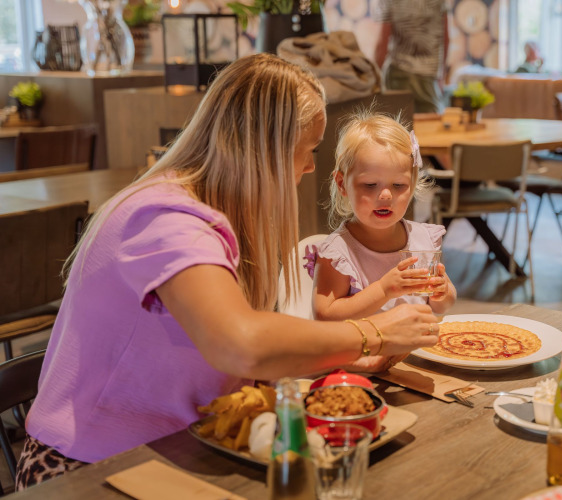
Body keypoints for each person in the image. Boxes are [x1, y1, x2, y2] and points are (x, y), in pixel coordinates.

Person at [15, 54, 439, 490]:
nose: (311, 166)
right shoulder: (166, 218)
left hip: (183, 446)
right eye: (309, 150)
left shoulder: (217, 212)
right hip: (89, 468)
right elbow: (242, 344)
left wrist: (344, 355)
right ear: (266, 149)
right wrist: (372, 332)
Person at [313, 111, 456, 322]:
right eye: (370, 185)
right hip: (364, 343)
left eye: (399, 185)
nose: (386, 195)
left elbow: (442, 305)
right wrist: (382, 290)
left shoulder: (423, 239)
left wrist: (442, 292)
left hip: (416, 340)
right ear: (342, 184)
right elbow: (325, 315)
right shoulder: (339, 253)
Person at [374, 0, 449, 113]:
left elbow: (382, 43)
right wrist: (441, 75)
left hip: (398, 74)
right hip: (428, 74)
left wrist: (375, 78)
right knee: (431, 120)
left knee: (397, 120)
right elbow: (446, 39)